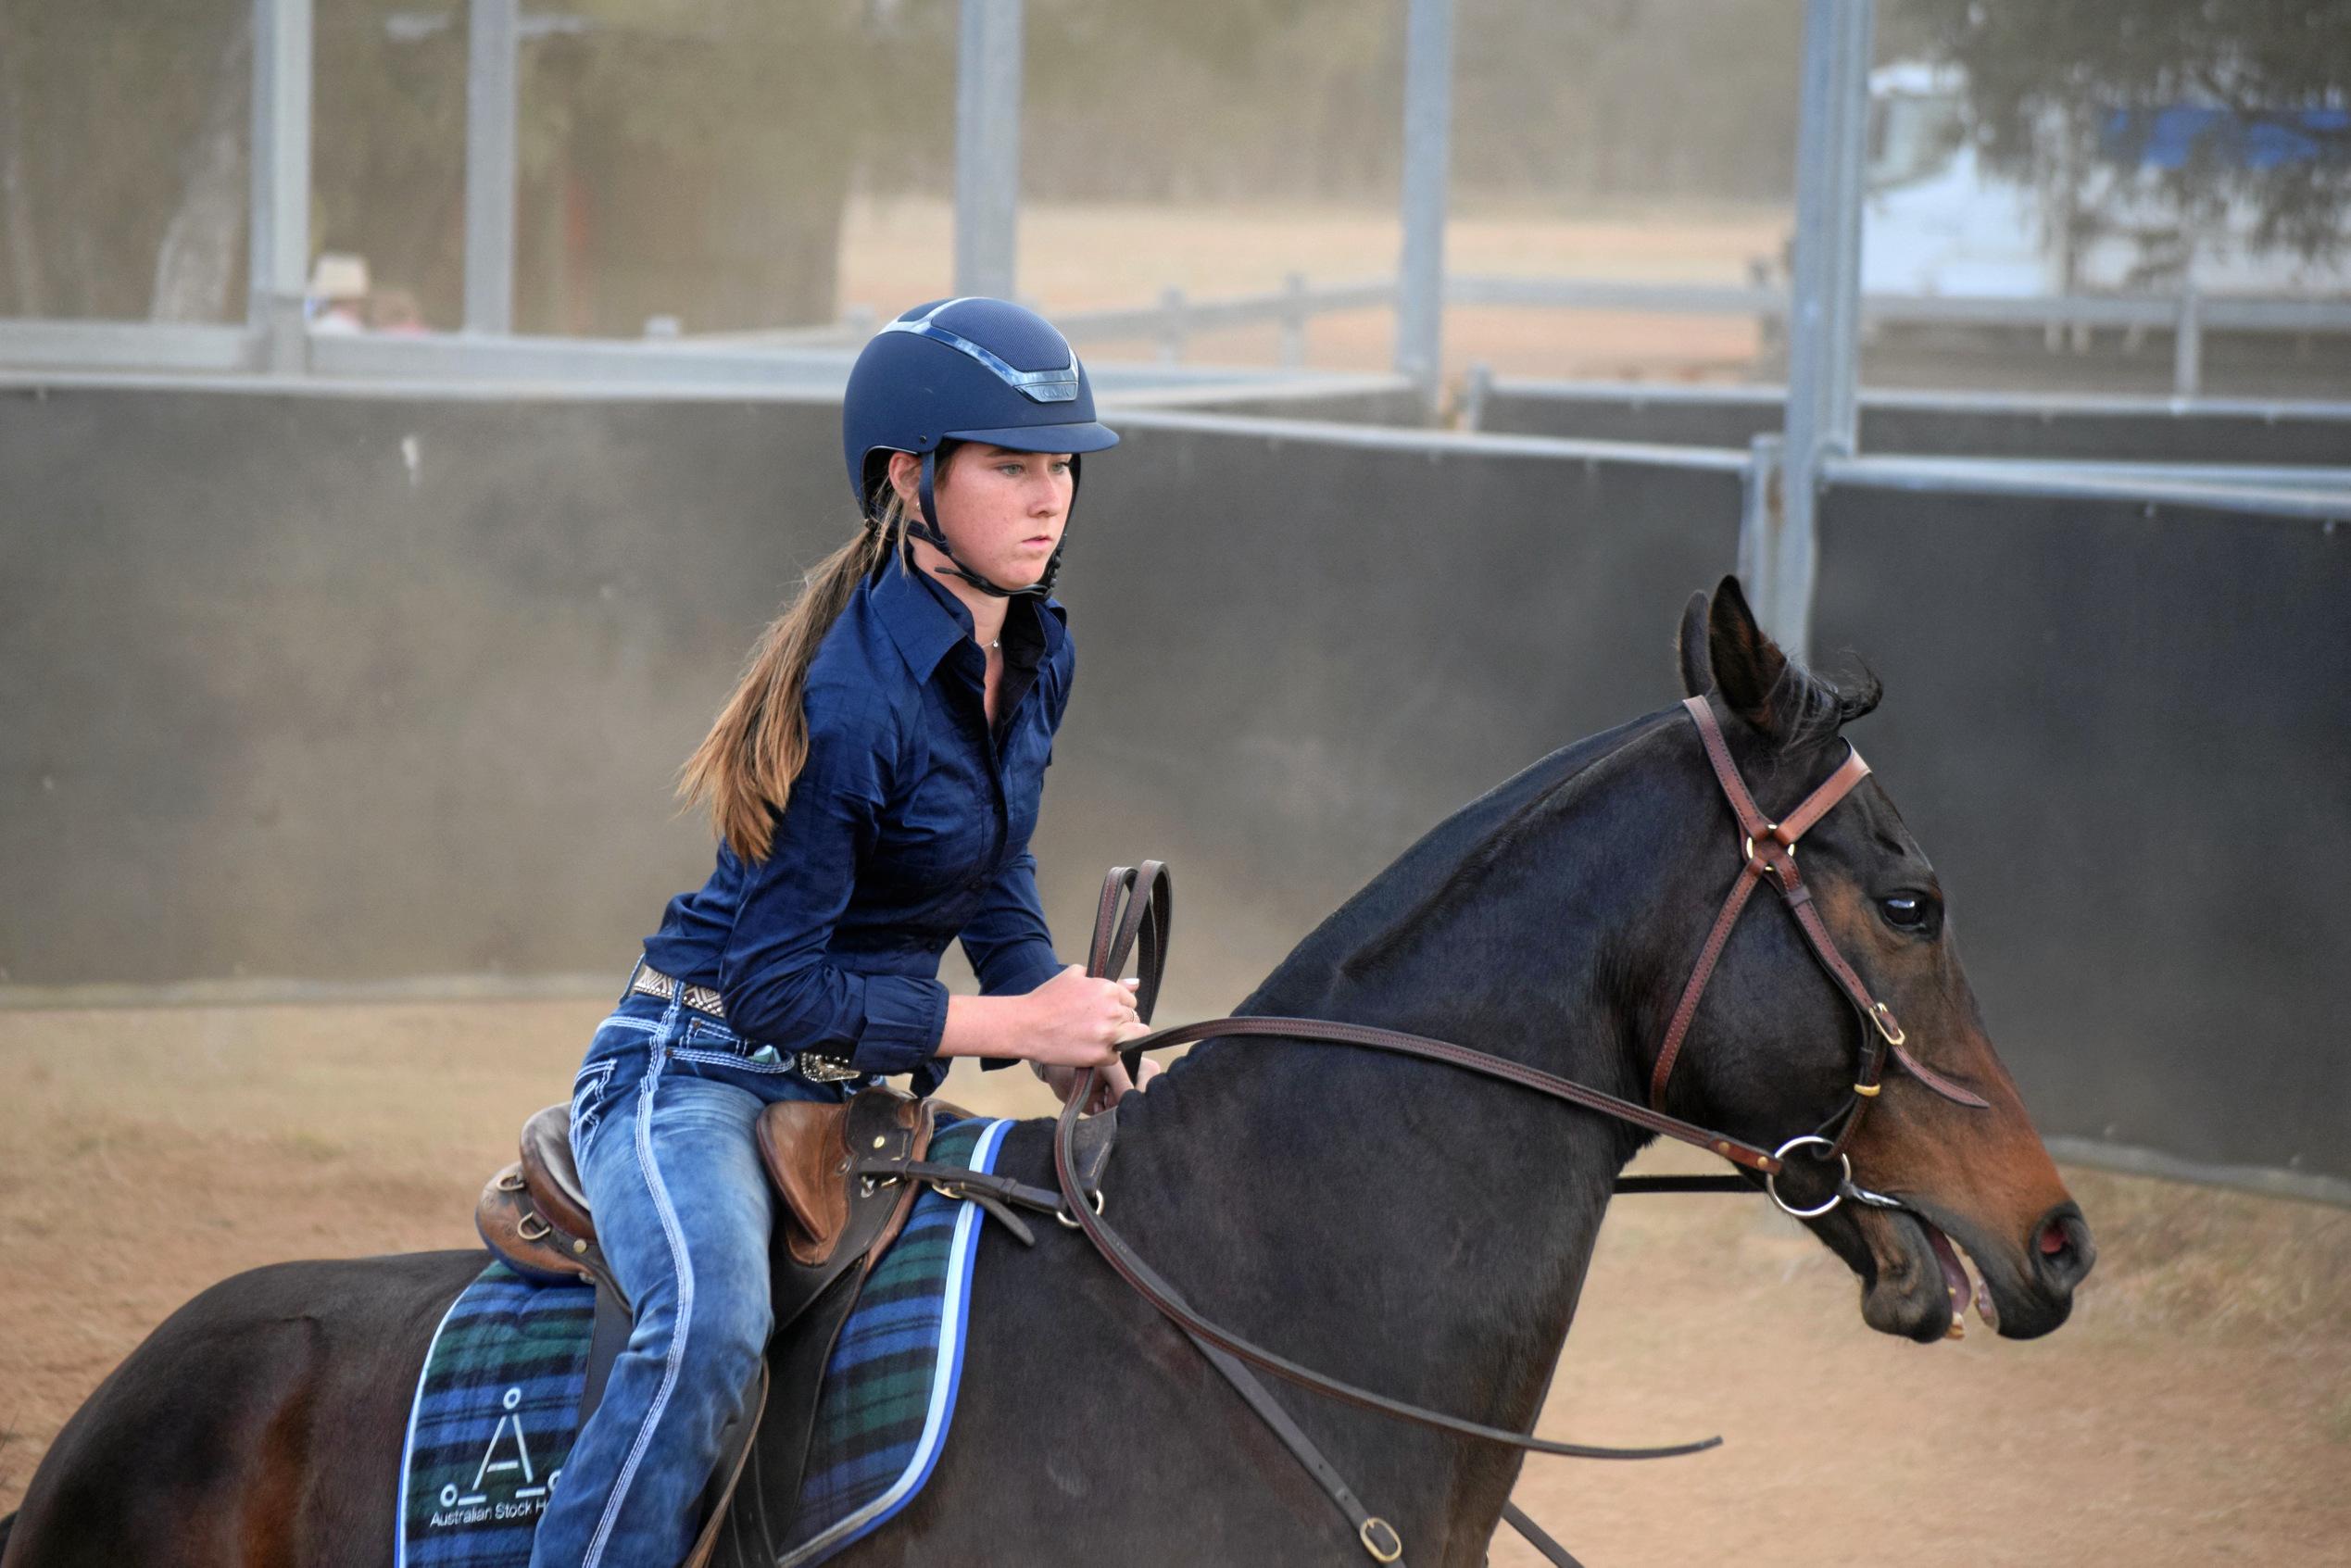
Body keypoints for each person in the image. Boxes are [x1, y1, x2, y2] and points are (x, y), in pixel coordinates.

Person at [528, 297, 1155, 1568]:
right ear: (908, 478)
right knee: (707, 1321)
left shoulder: (1033, 650)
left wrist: (1049, 1014)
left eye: (1062, 466)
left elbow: (986, 862)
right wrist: (1006, 1019)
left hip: (846, 1081)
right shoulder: (850, 697)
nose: (1050, 499)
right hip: (691, 1066)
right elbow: (770, 989)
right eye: (1011, 465)